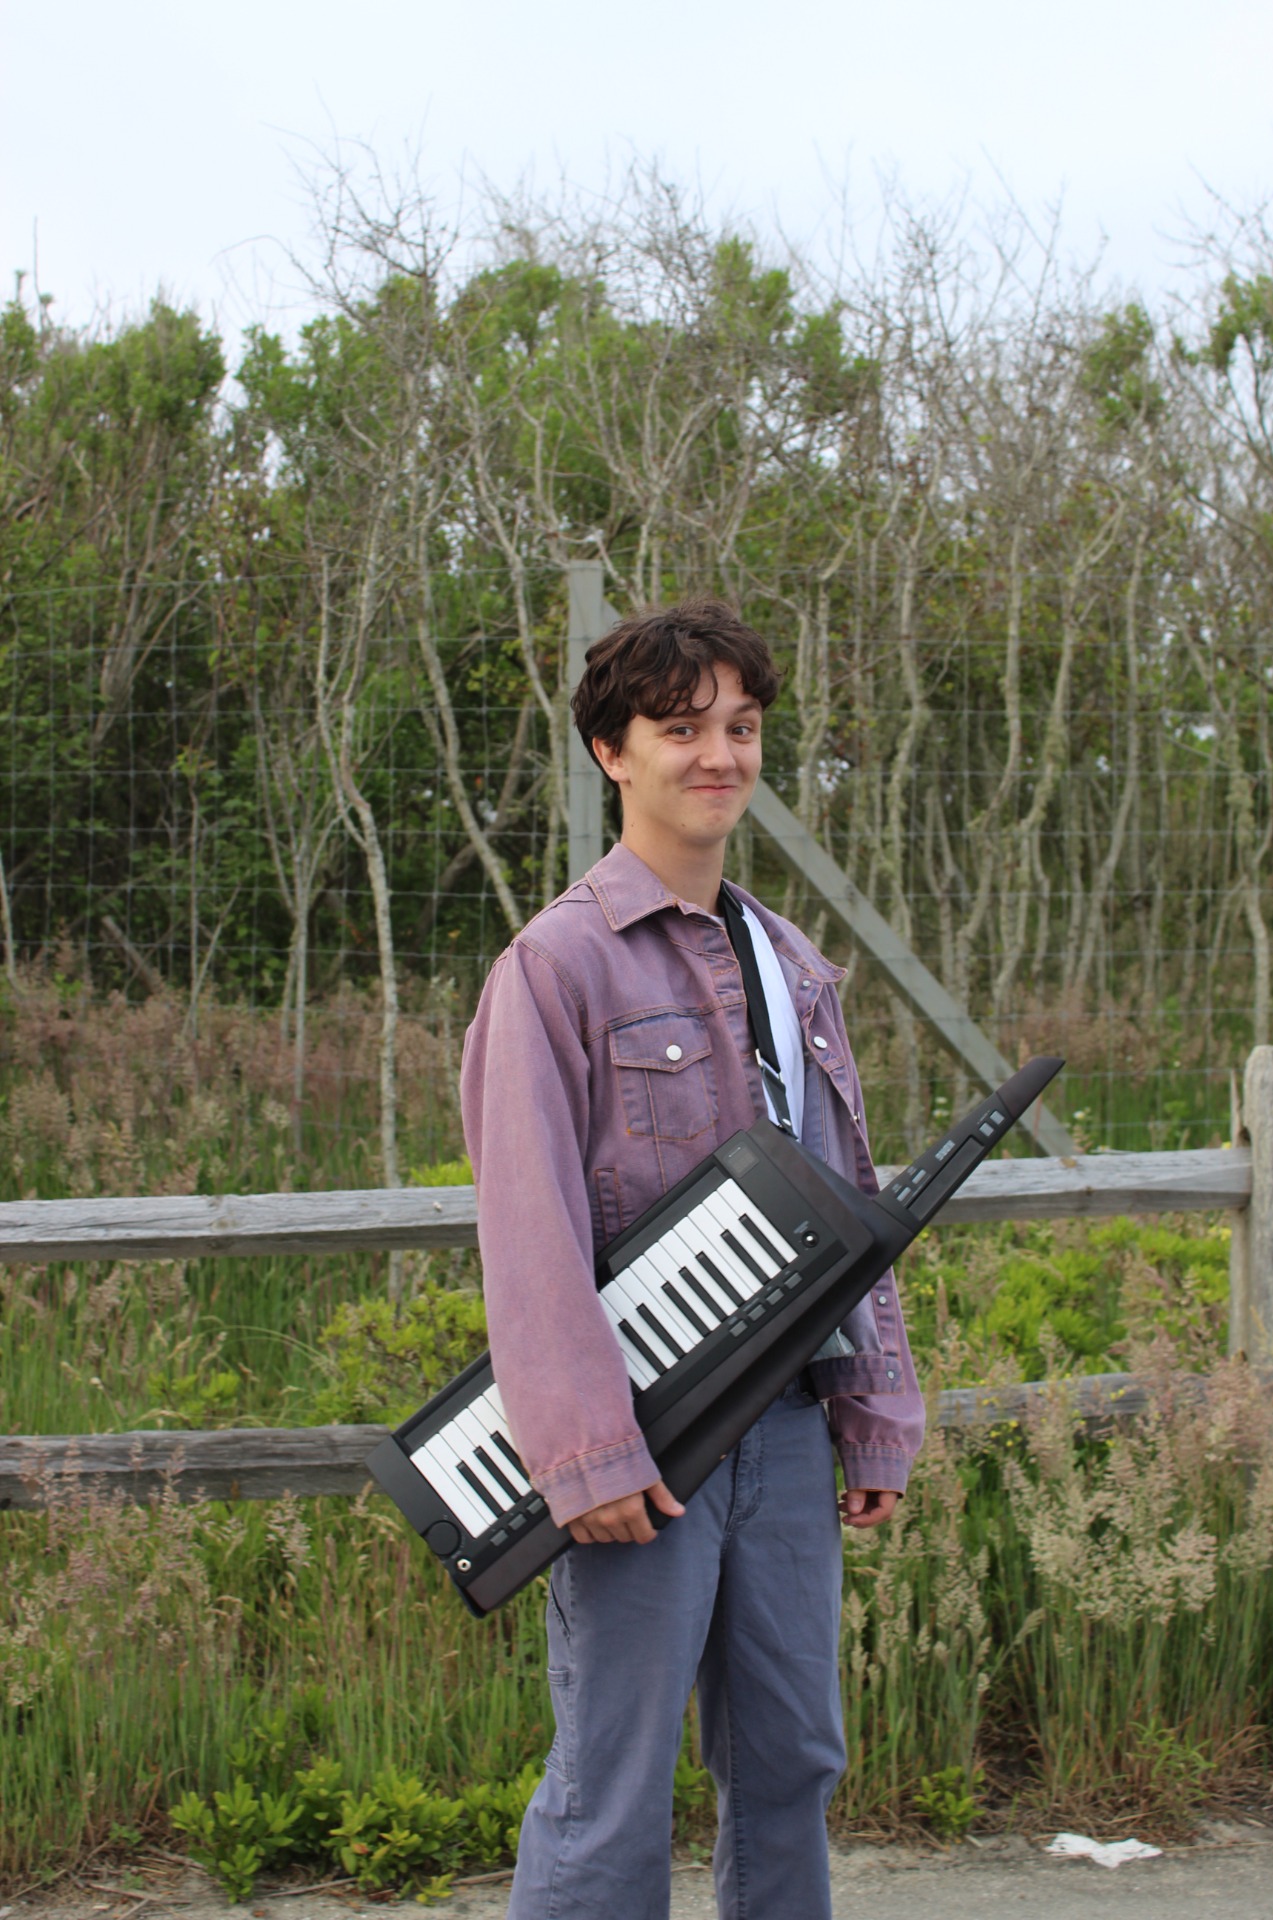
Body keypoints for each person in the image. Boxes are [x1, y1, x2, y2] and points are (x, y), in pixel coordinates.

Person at [460, 598, 924, 1920]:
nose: (719, 755)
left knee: (791, 1762)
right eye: (681, 729)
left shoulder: (792, 964)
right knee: (612, 1787)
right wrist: (586, 1455)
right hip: (646, 1450)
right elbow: (531, 1233)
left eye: (742, 726)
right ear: (612, 752)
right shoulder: (555, 968)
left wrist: (873, 1411)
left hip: (790, 1437)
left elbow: (848, 1197)